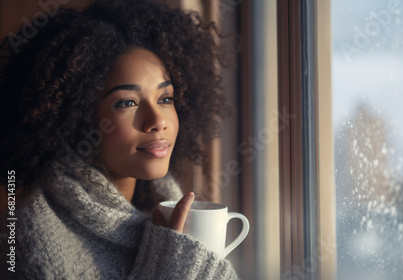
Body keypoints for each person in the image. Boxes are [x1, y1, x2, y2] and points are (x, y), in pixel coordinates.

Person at [0, 0, 238, 278]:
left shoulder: (167, 208)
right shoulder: (25, 244)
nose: (157, 121)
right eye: (127, 103)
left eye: (165, 98)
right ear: (76, 118)